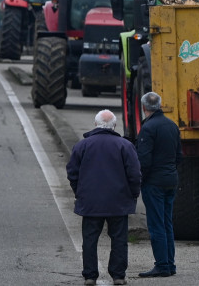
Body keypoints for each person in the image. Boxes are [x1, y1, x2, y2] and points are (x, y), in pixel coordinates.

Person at [67, 109, 141, 286]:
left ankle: (90, 276)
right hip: (119, 201)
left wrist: (80, 192)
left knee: (90, 240)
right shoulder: (125, 145)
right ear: (114, 126)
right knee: (119, 239)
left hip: (91, 202)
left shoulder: (82, 145)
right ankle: (118, 276)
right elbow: (135, 174)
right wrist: (133, 194)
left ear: (95, 124)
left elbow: (72, 173)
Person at [136, 92, 183, 278]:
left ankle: (162, 265)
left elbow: (144, 161)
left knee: (156, 225)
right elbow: (179, 155)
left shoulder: (148, 128)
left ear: (143, 107)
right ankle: (170, 264)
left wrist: (139, 180)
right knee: (167, 223)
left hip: (154, 182)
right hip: (171, 179)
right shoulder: (172, 126)